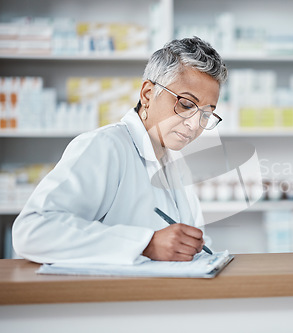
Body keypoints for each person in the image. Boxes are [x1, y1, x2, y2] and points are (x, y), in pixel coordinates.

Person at [12, 36, 228, 265]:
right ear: (147, 95)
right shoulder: (105, 147)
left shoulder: (174, 161)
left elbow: (193, 244)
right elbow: (32, 231)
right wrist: (146, 244)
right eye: (186, 104)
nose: (194, 125)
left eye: (205, 114)